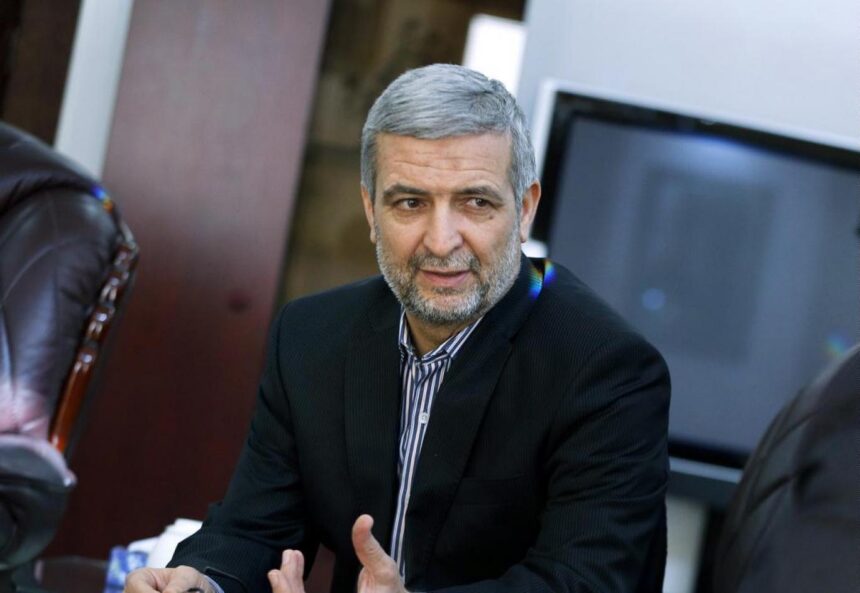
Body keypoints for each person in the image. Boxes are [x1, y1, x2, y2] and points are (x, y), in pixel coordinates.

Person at [125, 64, 670, 593]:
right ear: (370, 210)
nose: (440, 240)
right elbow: (255, 526)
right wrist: (203, 582)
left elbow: (587, 580)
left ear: (524, 209)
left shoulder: (606, 370)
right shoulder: (312, 338)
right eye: (410, 203)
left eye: (475, 202)